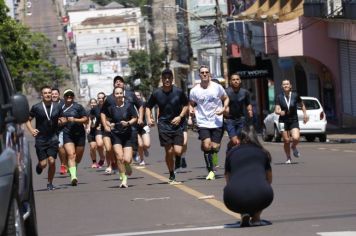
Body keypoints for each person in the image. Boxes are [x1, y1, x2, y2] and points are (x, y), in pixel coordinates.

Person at [224, 125, 273, 227]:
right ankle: (256, 218)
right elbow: (269, 179)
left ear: (239, 138)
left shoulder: (231, 153)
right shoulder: (263, 152)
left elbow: (228, 180)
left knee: (237, 188)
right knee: (262, 187)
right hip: (262, 194)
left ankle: (243, 212)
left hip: (233, 197)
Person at [146, 68, 189, 183]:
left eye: (169, 77)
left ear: (172, 79)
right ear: (162, 79)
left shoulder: (178, 91)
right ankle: (171, 174)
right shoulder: (156, 93)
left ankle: (179, 159)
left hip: (177, 124)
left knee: (178, 151)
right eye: (165, 78)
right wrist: (149, 118)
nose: (167, 80)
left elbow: (186, 105)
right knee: (169, 151)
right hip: (164, 125)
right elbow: (148, 106)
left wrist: (180, 116)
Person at [189, 65, 229, 180]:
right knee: (207, 145)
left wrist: (223, 108)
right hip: (203, 122)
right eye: (202, 72)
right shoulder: (194, 90)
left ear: (210, 74)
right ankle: (210, 170)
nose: (205, 74)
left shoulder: (217, 87)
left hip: (217, 121)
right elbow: (191, 103)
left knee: (215, 147)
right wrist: (191, 111)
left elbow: (226, 98)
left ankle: (214, 158)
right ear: (199, 75)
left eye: (207, 72)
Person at [101, 76, 143, 174]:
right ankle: (120, 167)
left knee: (132, 149)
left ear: (124, 84)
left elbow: (140, 106)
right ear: (114, 85)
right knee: (118, 152)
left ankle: (129, 159)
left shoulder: (131, 95)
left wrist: (140, 118)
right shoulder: (110, 98)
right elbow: (103, 112)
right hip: (117, 128)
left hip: (131, 126)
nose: (118, 83)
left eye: (120, 81)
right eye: (116, 82)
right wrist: (106, 125)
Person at [26, 86, 64, 190]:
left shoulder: (57, 106)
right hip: (41, 139)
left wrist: (63, 121)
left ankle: (49, 183)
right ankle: (39, 165)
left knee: (52, 161)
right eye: (45, 93)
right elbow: (27, 119)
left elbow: (62, 118)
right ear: (41, 95)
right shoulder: (36, 107)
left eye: (49, 93)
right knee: (44, 164)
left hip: (53, 138)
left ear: (52, 94)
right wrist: (32, 130)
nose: (47, 94)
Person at [104, 87, 138, 188]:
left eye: (120, 93)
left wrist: (127, 123)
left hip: (127, 135)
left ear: (123, 94)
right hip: (115, 135)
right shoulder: (110, 107)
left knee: (127, 159)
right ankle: (124, 179)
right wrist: (110, 124)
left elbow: (135, 118)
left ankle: (127, 165)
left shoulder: (129, 105)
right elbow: (106, 119)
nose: (118, 95)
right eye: (116, 94)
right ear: (114, 95)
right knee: (119, 157)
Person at [274, 79, 308, 164]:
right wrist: (279, 112)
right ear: (282, 86)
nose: (286, 86)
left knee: (296, 138)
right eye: (284, 84)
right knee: (286, 140)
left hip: (293, 119)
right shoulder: (279, 97)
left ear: (290, 86)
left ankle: (293, 147)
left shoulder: (295, 95)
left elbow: (302, 105)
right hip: (283, 121)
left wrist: (305, 114)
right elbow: (276, 109)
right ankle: (288, 158)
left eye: (287, 84)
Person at [61, 89, 88, 186]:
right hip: (67, 133)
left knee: (78, 158)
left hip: (79, 134)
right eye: (67, 95)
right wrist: (61, 122)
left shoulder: (78, 107)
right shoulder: (60, 107)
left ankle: (73, 167)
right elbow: (56, 120)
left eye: (71, 95)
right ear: (64, 97)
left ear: (73, 97)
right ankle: (73, 177)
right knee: (71, 155)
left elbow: (85, 119)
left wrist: (75, 120)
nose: (69, 97)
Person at [225, 73, 253, 150]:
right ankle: (214, 159)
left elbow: (248, 103)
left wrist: (250, 111)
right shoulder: (226, 92)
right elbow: (221, 104)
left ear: (240, 81)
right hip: (229, 119)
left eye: (237, 79)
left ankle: (232, 154)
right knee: (214, 146)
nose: (236, 81)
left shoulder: (245, 92)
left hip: (241, 119)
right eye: (233, 80)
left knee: (238, 141)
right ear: (230, 82)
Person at [51, 88, 67, 175]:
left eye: (55, 94)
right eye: (52, 94)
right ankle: (64, 163)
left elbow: (65, 117)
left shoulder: (63, 104)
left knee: (61, 146)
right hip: (51, 131)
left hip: (63, 129)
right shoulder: (47, 104)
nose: (54, 95)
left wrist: (59, 121)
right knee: (58, 148)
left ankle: (63, 165)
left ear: (59, 95)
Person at [86, 98, 105, 168]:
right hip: (91, 132)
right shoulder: (87, 112)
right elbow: (87, 120)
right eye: (91, 103)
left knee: (99, 145)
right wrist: (87, 127)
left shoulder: (98, 110)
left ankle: (102, 158)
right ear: (89, 104)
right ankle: (94, 162)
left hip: (97, 130)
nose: (93, 104)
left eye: (94, 102)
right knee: (92, 147)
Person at [134, 91, 151, 166]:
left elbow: (148, 112)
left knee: (147, 144)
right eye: (135, 96)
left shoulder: (144, 104)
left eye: (138, 95)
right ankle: (142, 160)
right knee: (140, 145)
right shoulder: (131, 105)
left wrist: (150, 119)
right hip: (134, 127)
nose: (137, 97)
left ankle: (145, 148)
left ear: (140, 96)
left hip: (143, 126)